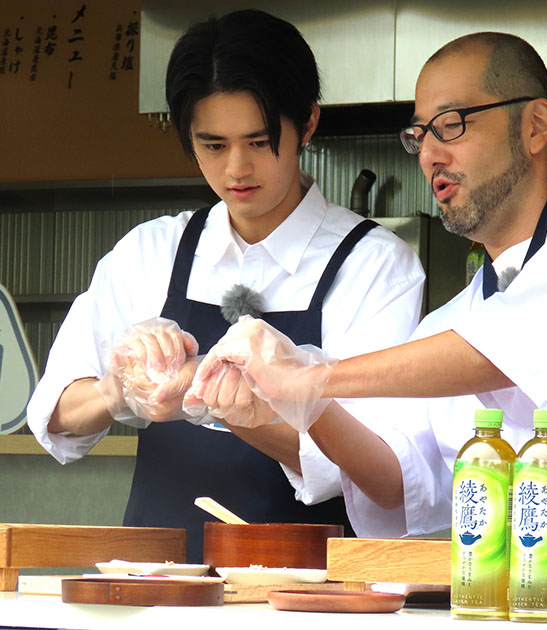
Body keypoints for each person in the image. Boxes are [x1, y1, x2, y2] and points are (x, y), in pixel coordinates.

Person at [187, 31, 547, 545]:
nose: (431, 152)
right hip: (534, 596)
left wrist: (312, 375)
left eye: (452, 123)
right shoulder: (448, 324)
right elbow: (394, 481)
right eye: (419, 134)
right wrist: (287, 401)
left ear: (535, 125)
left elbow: (516, 349)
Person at [26, 9, 425, 562]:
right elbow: (55, 414)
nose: (237, 168)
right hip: (155, 584)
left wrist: (242, 414)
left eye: (259, 142)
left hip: (304, 593)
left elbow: (374, 466)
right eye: (212, 145)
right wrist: (117, 392)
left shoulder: (375, 265)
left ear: (307, 123)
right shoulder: (152, 251)